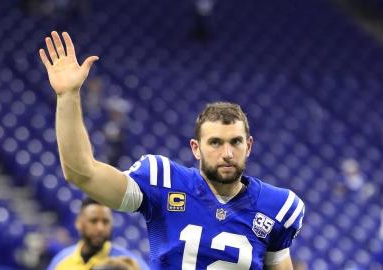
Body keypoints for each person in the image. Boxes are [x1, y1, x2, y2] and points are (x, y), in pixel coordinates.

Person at [39, 31, 305, 270]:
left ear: (248, 146)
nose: (227, 153)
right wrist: (68, 97)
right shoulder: (163, 182)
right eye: (215, 142)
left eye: (235, 142)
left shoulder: (278, 207)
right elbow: (82, 174)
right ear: (196, 148)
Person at [47, 198, 148, 270]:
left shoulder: (127, 263)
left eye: (105, 221)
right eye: (93, 221)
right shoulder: (61, 260)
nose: (100, 228)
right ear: (79, 223)